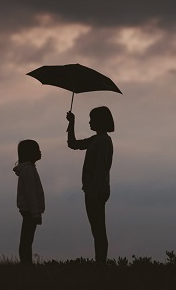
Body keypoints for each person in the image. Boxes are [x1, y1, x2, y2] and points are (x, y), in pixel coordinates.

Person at [66, 106, 114, 265]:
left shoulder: (102, 141)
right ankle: (100, 262)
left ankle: (101, 263)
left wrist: (94, 191)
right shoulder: (96, 139)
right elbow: (73, 144)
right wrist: (71, 123)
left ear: (100, 121)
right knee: (97, 228)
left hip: (96, 191)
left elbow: (101, 169)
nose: (89, 122)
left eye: (92, 119)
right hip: (93, 190)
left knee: (98, 229)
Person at [13, 139, 45, 265]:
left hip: (29, 210)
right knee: (27, 239)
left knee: (27, 239)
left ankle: (26, 263)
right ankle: (26, 264)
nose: (40, 152)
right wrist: (36, 213)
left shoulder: (28, 169)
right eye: (37, 149)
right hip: (30, 211)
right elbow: (31, 194)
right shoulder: (28, 170)